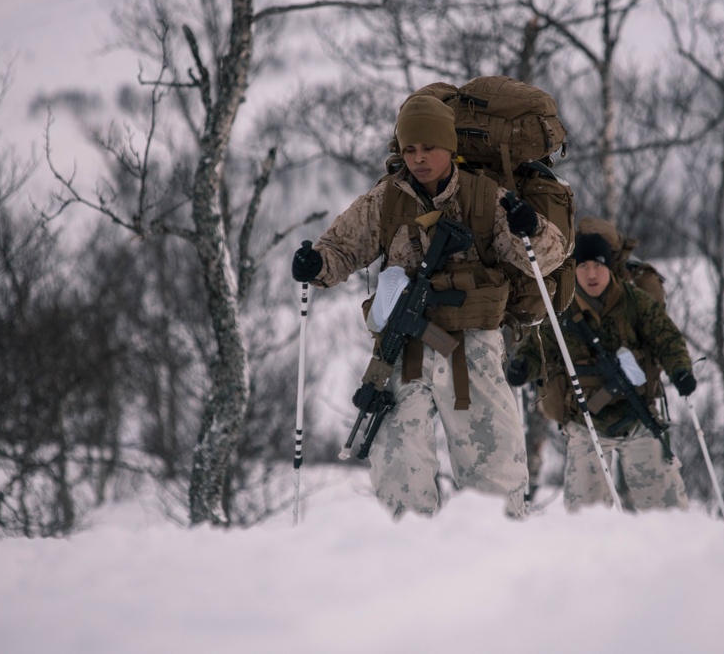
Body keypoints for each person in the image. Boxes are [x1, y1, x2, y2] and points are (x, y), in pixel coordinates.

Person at [291, 95, 567, 520]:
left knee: (494, 476)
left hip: (471, 345)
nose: (419, 159)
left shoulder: (484, 195)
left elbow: (544, 258)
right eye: (410, 150)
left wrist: (529, 227)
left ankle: (499, 562)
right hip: (404, 348)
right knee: (399, 474)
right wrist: (318, 265)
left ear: (450, 147)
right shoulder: (386, 199)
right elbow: (342, 247)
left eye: (429, 148)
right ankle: (411, 564)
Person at [508, 230, 694, 512]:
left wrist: (680, 370)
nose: (591, 273)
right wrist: (523, 366)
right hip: (586, 422)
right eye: (583, 266)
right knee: (585, 516)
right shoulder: (563, 310)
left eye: (598, 265)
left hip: (638, 416)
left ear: (609, 268)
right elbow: (539, 347)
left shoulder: (636, 302)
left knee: (667, 509)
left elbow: (666, 338)